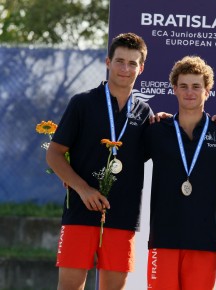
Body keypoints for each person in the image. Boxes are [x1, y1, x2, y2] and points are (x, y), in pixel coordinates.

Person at [46, 32, 153, 290]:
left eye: (132, 63)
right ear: (108, 62)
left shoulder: (144, 113)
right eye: (119, 61)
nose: (125, 69)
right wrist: (82, 189)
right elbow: (54, 153)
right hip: (81, 211)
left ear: (141, 67)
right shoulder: (82, 103)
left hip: (123, 215)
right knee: (70, 286)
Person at [143, 55, 216, 290]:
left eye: (196, 86)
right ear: (174, 89)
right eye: (183, 86)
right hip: (163, 238)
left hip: (205, 240)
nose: (189, 92)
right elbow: (124, 160)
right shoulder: (156, 129)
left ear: (208, 90)